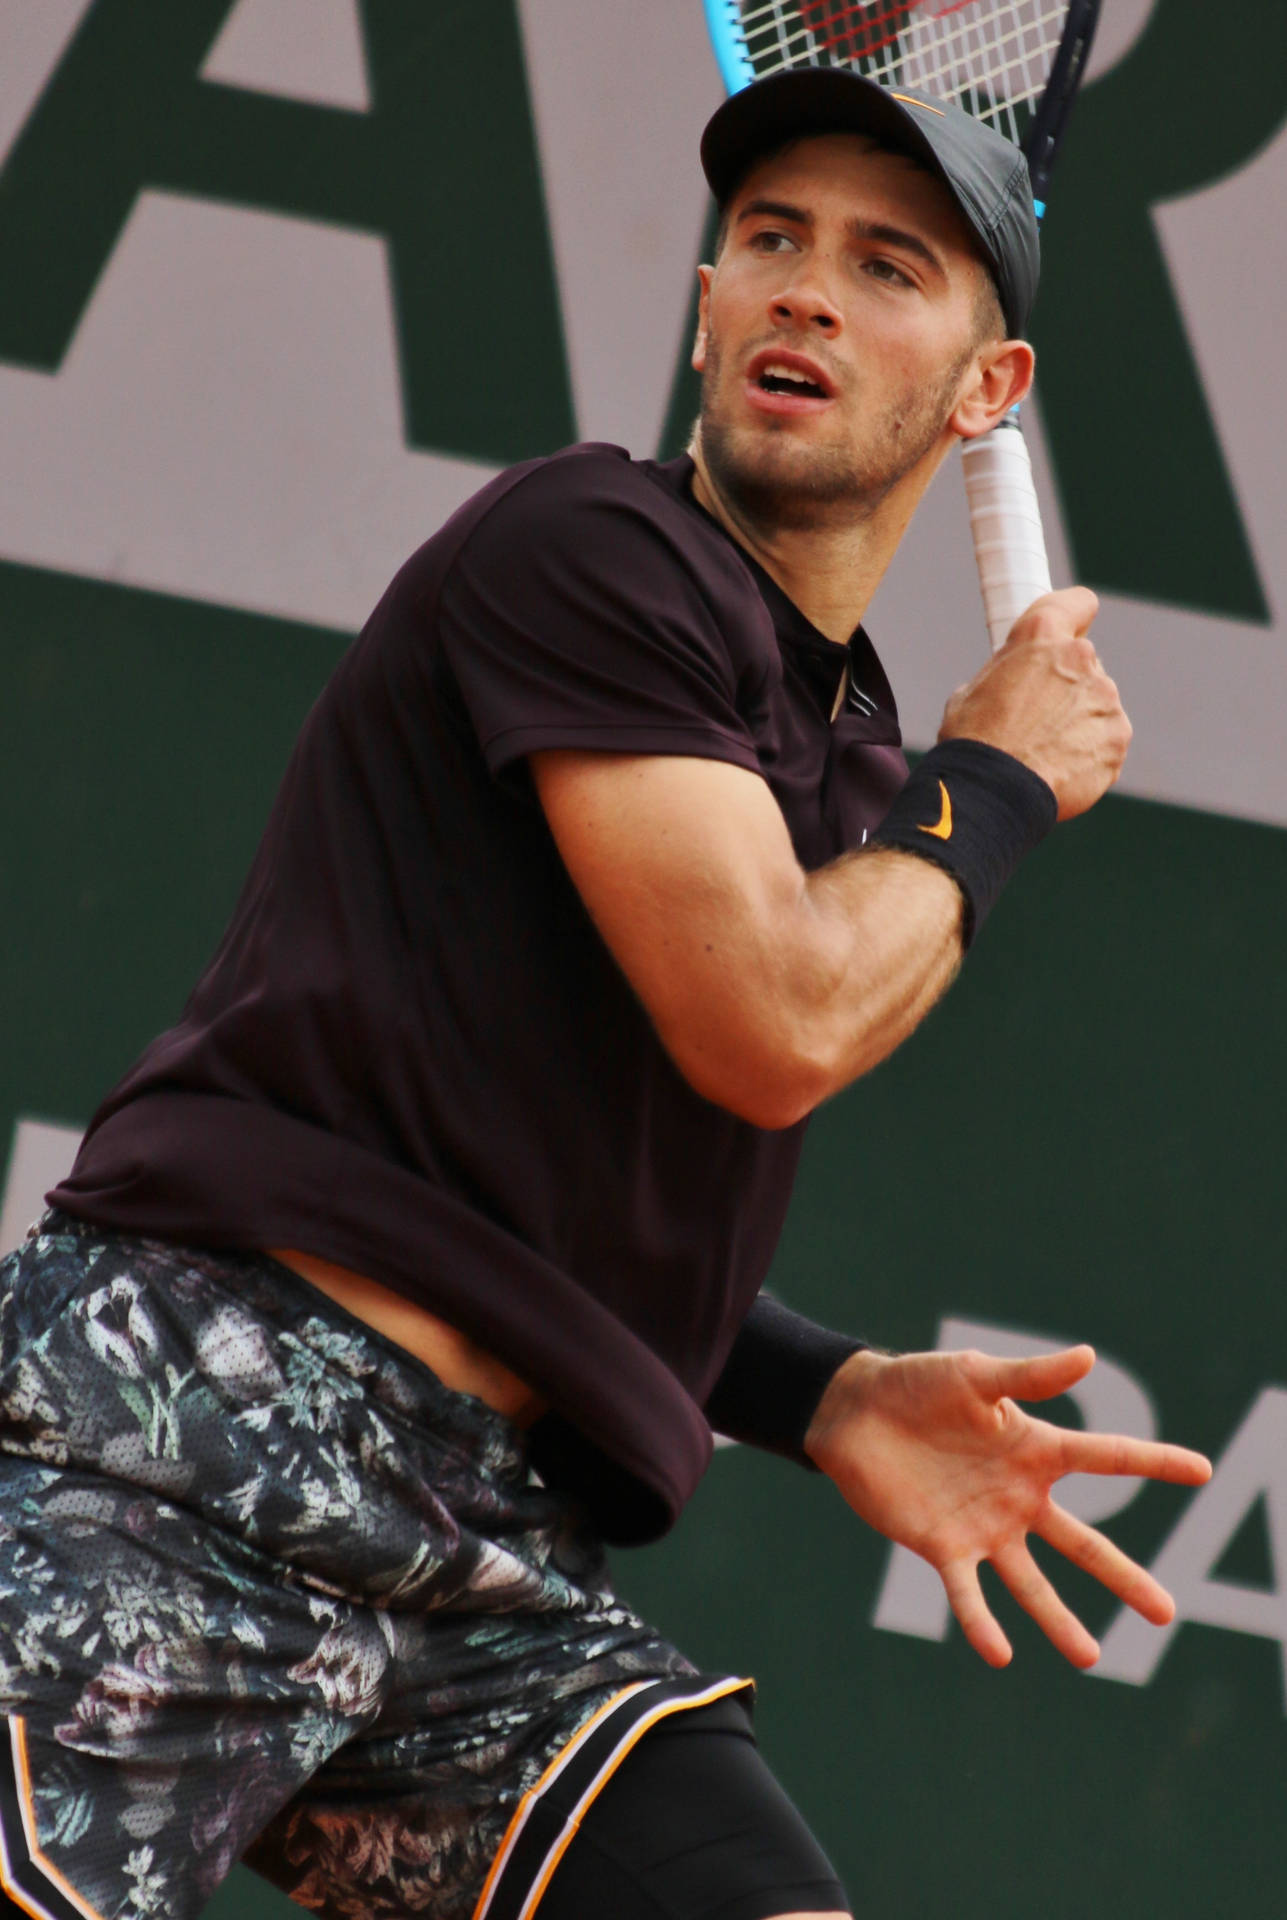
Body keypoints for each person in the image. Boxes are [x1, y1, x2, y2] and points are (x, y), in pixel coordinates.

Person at [0, 68, 1208, 1920]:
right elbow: (774, 1020)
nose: (803, 288)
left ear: (989, 392)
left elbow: (545, 1181)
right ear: (710, 303)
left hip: (476, 1555)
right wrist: (1005, 789)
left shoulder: (852, 773)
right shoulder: (596, 548)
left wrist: (828, 1396)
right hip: (182, 1447)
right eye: (770, 244)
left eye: (888, 265)